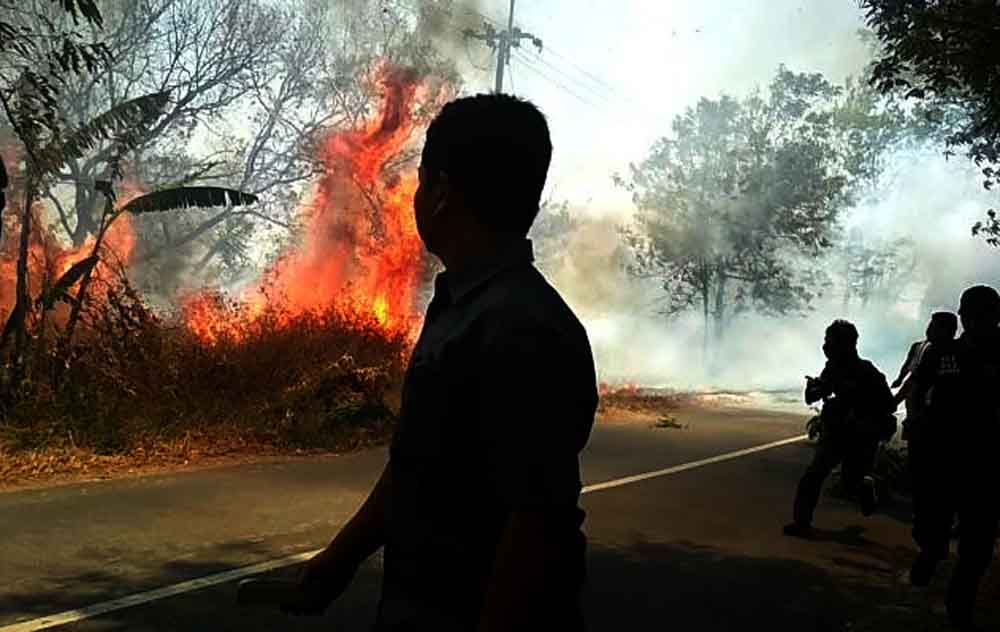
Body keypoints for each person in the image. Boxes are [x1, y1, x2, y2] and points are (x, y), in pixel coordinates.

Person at [285, 94, 599, 631]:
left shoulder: (517, 327)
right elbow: (419, 462)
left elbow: (533, 524)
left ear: (441, 192)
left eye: (422, 180)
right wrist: (340, 560)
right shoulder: (465, 306)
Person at [907, 285, 1000, 630]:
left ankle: (959, 603)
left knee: (977, 546)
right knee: (931, 527)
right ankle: (931, 553)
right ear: (962, 317)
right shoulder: (944, 353)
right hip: (942, 458)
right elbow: (918, 390)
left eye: (986, 316)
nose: (978, 323)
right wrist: (916, 421)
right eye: (971, 316)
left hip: (988, 464)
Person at [783, 320, 896, 538]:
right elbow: (813, 396)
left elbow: (888, 405)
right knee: (813, 476)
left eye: (830, 342)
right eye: (826, 342)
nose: (826, 347)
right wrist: (814, 388)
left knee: (850, 481)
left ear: (847, 345)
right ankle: (801, 523)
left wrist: (860, 408)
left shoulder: (867, 371)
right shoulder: (832, 369)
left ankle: (866, 486)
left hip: (861, 437)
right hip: (836, 434)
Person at [892, 312, 958, 440]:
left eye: (933, 327)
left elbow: (914, 382)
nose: (928, 330)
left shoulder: (932, 352)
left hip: (927, 417)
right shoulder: (961, 350)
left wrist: (893, 402)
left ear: (944, 331)